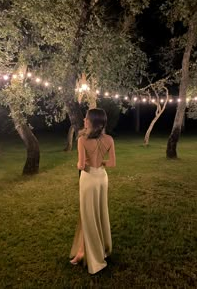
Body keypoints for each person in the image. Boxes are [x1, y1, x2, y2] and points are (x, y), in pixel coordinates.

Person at [70, 108, 116, 274]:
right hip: (102, 178)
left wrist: (79, 164)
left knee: (87, 216)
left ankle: (88, 254)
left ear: (91, 121)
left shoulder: (82, 139)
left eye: (86, 118)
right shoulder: (110, 139)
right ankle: (98, 248)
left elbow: (81, 165)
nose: (84, 120)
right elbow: (112, 164)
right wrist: (101, 163)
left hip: (88, 178)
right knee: (100, 213)